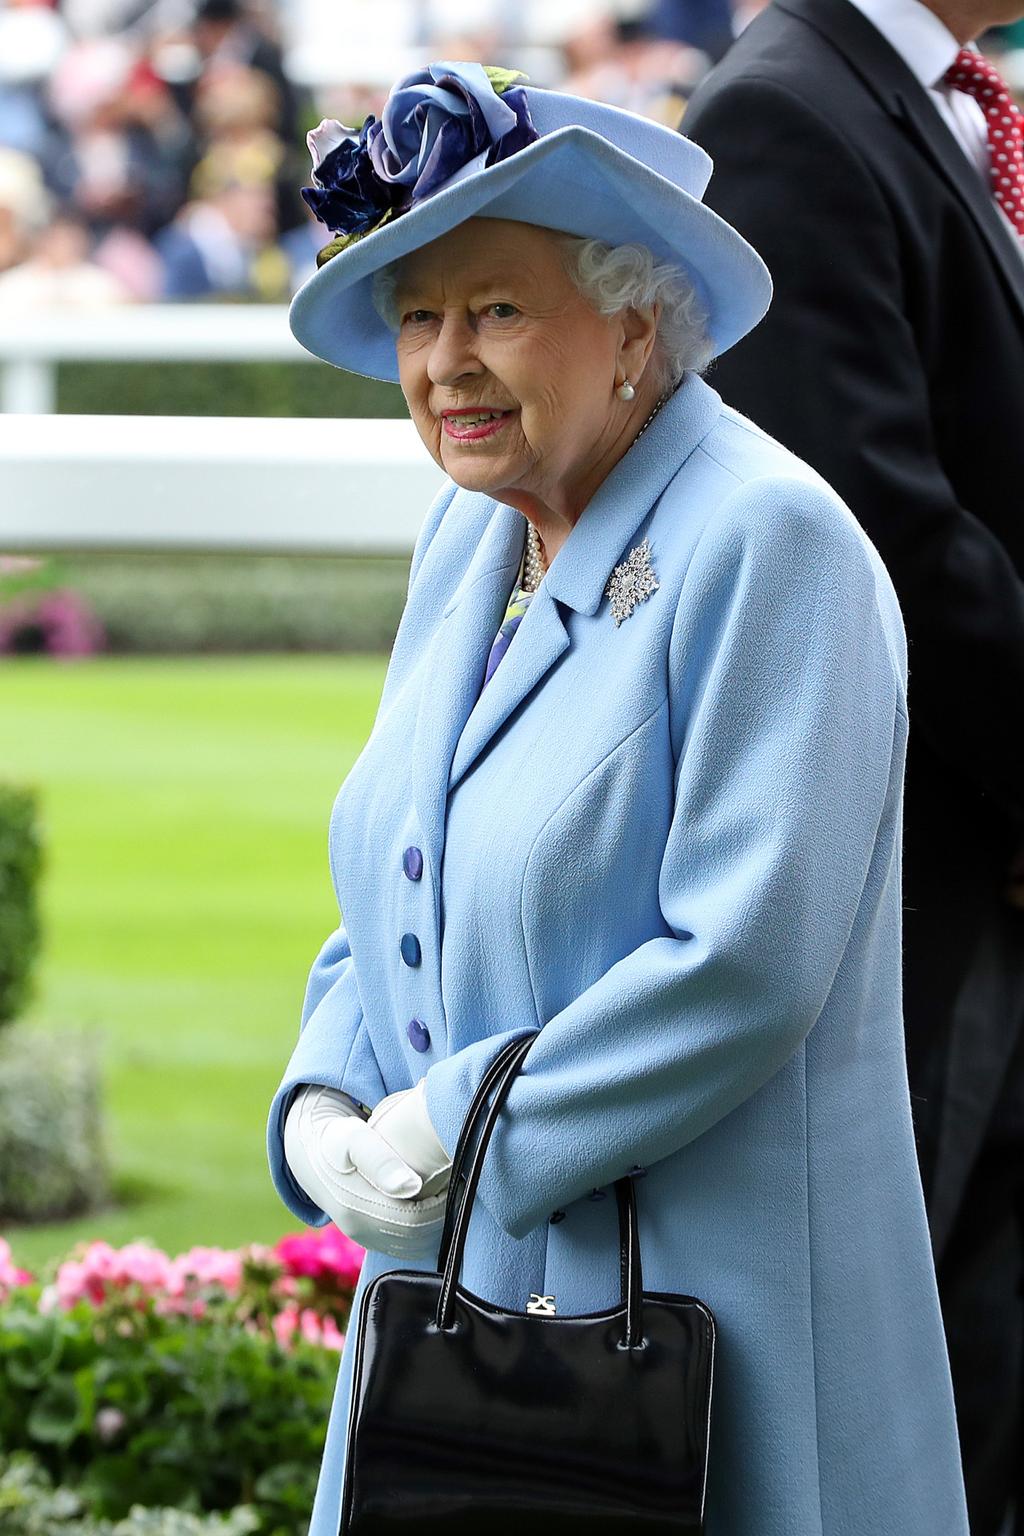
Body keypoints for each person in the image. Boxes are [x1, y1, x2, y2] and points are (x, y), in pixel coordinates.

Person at [265, 62, 969, 1536]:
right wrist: (328, 1095)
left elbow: (744, 961)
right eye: (416, 316)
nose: (446, 361)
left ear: (635, 321)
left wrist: (451, 1129)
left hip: (717, 1326)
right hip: (464, 1306)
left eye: (497, 310)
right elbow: (404, 858)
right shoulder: (466, 542)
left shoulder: (769, 542)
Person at [681, 5, 1024, 1529]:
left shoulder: (935, 96)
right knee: (926, 1366)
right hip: (926, 873)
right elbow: (883, 532)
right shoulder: (786, 113)